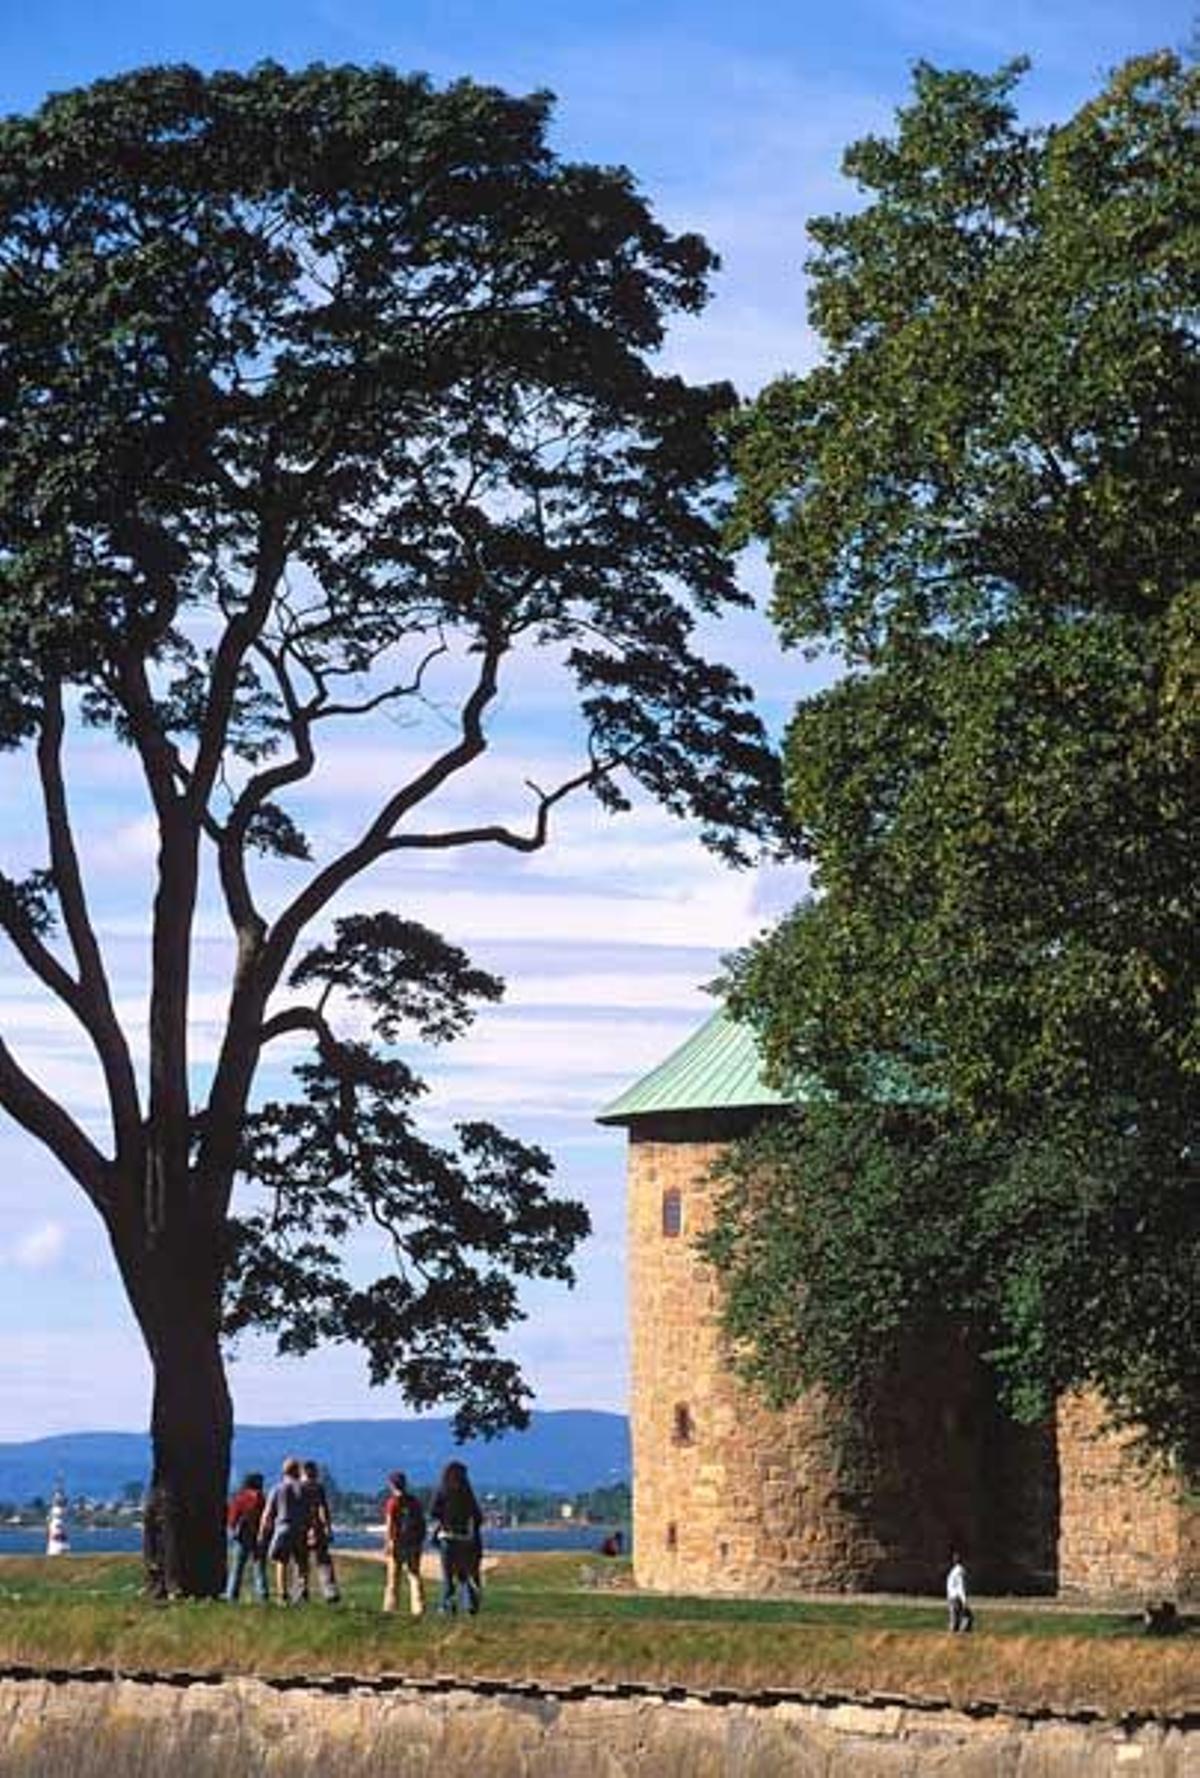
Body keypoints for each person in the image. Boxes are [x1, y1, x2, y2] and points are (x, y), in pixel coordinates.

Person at [430, 1460, 483, 1615]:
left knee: (448, 1576)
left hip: (447, 1537)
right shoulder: (467, 1494)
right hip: (465, 1539)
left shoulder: (442, 1491)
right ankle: (469, 1606)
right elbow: (478, 1516)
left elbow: (433, 1511)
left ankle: (447, 1606)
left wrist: (444, 1520)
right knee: (464, 1575)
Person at [258, 1456, 311, 1605]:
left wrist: (262, 1532)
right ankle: (302, 1593)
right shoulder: (304, 1489)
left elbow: (268, 1513)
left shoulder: (277, 1488)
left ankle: (283, 1594)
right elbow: (310, 1511)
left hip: (283, 1528)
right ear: (297, 1471)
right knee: (301, 1563)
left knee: (282, 1562)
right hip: (301, 1528)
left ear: (284, 1471)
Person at [382, 1470, 427, 1617]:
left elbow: (390, 1525)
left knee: (393, 1579)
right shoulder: (414, 1501)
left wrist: (389, 1543)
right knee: (414, 1575)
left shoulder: (392, 1502)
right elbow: (422, 1522)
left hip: (398, 1543)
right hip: (413, 1543)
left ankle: (390, 1608)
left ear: (391, 1485)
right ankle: (418, 1608)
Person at [298, 1460, 340, 1602]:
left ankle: (301, 1591)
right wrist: (328, 1528)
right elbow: (323, 1509)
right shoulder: (318, 1488)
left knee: (301, 1562)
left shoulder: (298, 1488)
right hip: (318, 1529)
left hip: (301, 1529)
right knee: (323, 1562)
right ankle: (330, 1591)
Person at [224, 1471, 268, 1602]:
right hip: (258, 1535)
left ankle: (231, 1594)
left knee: (236, 1568)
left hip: (242, 1536)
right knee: (259, 1566)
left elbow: (232, 1518)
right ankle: (262, 1594)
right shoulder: (262, 1498)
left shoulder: (239, 1498)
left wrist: (232, 1530)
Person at [946, 1551, 974, 1632]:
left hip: (953, 1598)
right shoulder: (959, 1571)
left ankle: (955, 1634)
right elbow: (960, 1587)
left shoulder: (954, 1571)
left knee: (955, 1619)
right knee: (961, 1618)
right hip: (956, 1598)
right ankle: (961, 1634)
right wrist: (964, 1601)